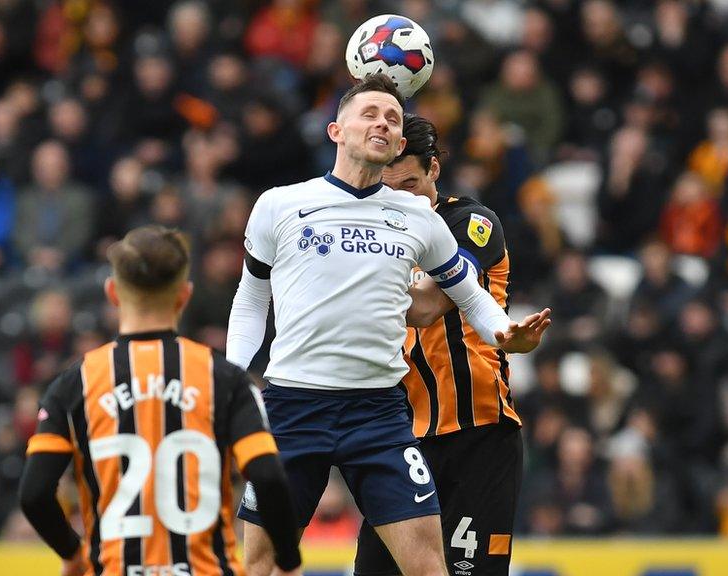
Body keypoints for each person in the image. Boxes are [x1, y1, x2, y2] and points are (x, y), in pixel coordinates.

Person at [227, 74, 550, 576]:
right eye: (369, 113)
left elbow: (467, 296)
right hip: (294, 404)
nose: (382, 122)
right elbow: (251, 300)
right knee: (263, 564)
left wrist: (505, 333)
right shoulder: (280, 204)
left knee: (428, 567)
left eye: (392, 118)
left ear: (404, 145)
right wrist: (230, 377)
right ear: (335, 130)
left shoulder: (426, 220)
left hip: (382, 414)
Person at [19, 226, 302, 576]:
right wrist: (288, 561)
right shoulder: (226, 380)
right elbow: (269, 478)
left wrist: (72, 552)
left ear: (112, 293)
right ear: (184, 296)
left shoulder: (74, 383)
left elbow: (33, 493)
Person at [353, 113, 527, 576]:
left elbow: (429, 305)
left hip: (478, 435)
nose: (398, 198)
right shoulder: (372, 235)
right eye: (388, 188)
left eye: (409, 184)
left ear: (433, 170)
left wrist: (348, 286)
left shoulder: (472, 223)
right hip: (401, 440)